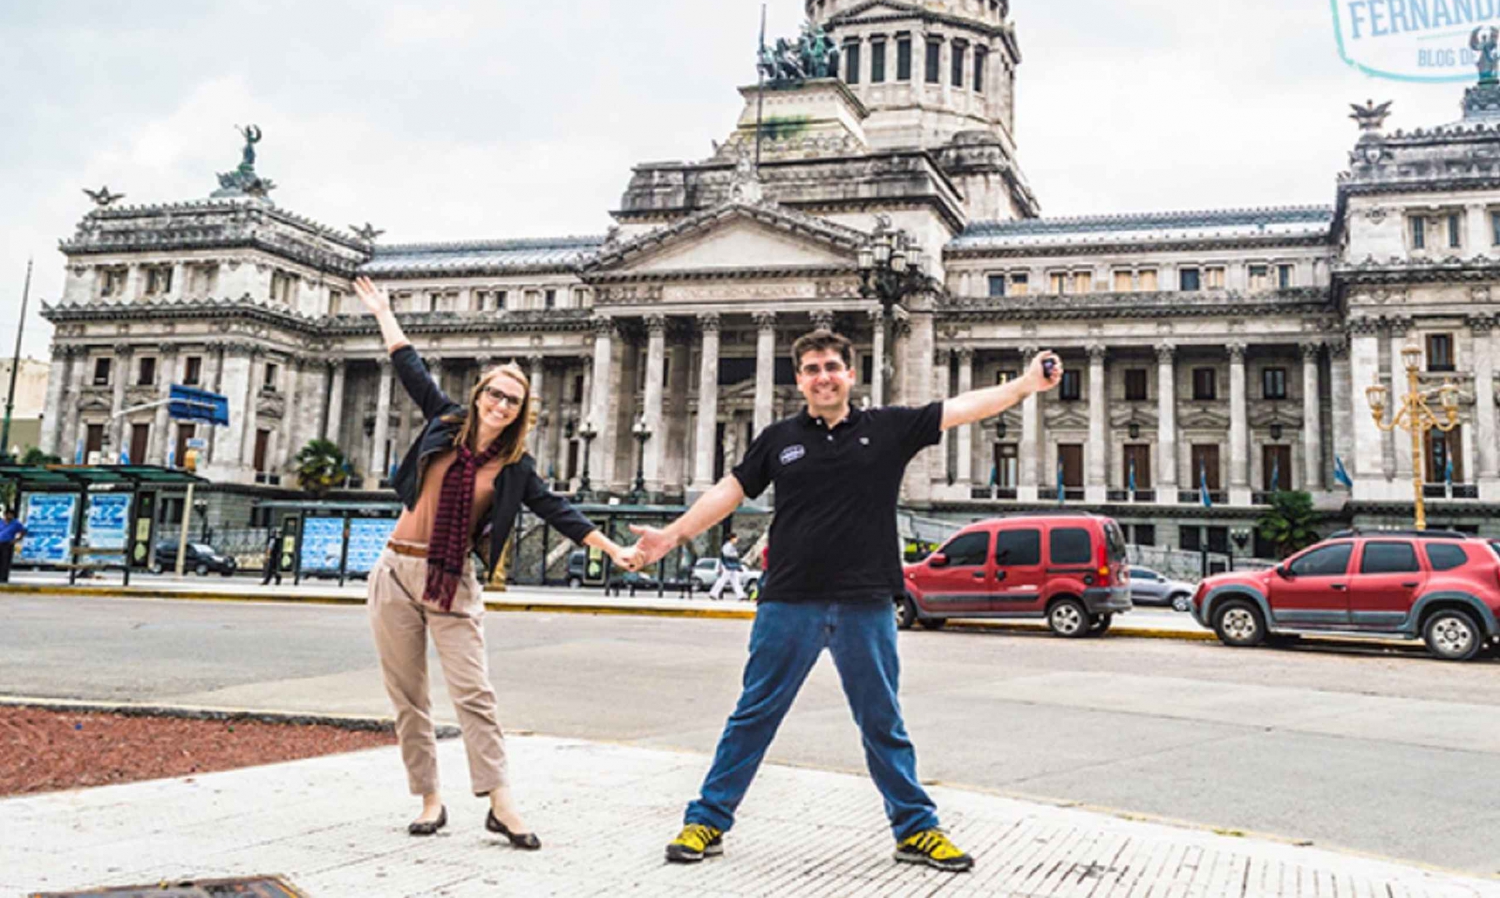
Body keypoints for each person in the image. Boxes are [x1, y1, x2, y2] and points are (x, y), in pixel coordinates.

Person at [630, 329, 1061, 873]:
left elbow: (963, 407)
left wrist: (1023, 384)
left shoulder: (886, 428)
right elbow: (730, 491)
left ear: (850, 374)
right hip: (790, 598)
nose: (823, 376)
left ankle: (916, 830)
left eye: (832, 366)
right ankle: (707, 820)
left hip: (866, 600)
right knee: (754, 716)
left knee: (882, 720)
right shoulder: (779, 438)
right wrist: (671, 536)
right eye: (811, 369)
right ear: (801, 379)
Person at [352, 276, 636, 848]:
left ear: (521, 410)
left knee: (475, 694)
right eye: (495, 393)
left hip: (452, 579)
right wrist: (384, 312)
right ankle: (430, 798)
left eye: (512, 399)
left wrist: (614, 549)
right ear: (479, 393)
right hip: (395, 571)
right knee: (408, 696)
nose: (500, 404)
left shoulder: (514, 468)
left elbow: (561, 513)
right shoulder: (444, 422)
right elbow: (410, 368)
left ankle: (501, 802)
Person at [709, 532, 746, 600]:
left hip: (731, 566)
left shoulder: (731, 546)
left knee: (735, 581)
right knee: (724, 580)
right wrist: (736, 557)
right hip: (728, 566)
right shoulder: (727, 546)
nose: (737, 539)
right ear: (732, 539)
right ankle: (713, 593)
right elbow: (727, 555)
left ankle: (740, 595)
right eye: (735, 538)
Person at [0, 507, 26, 584]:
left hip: (8, 543)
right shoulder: (1, 522)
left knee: (5, 562)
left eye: (11, 515)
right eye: (8, 515)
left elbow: (23, 531)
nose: (10, 516)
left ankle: (3, 578)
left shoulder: (16, 523)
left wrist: (16, 540)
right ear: (5, 515)